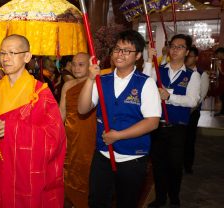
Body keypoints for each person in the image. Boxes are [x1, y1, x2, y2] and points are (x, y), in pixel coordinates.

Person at [0, 34, 66, 208]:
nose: (5, 58)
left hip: (25, 171)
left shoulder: (40, 93)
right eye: (2, 53)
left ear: (27, 56)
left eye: (12, 52)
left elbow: (55, 135)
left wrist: (12, 129)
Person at [78, 30, 161, 208]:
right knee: (97, 201)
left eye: (126, 50)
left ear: (138, 55)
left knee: (127, 202)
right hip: (102, 155)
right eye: (117, 49)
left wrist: (119, 135)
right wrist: (90, 79)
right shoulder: (102, 80)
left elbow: (152, 122)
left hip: (133, 157)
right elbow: (82, 109)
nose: (119, 54)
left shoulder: (145, 83)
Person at [143, 34, 200, 208]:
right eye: (172, 46)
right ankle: (160, 198)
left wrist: (170, 96)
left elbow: (192, 101)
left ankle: (174, 197)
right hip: (157, 127)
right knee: (158, 165)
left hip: (178, 128)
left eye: (179, 47)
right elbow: (143, 84)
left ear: (187, 52)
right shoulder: (158, 70)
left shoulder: (192, 75)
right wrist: (147, 60)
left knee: (175, 166)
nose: (174, 50)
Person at [59, 52, 96, 208]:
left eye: (81, 64)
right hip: (69, 134)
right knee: (68, 169)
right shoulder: (67, 85)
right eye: (73, 64)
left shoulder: (95, 84)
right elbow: (61, 113)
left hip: (88, 134)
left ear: (90, 66)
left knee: (86, 169)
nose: (76, 68)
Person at [184, 46, 209, 174]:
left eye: (190, 56)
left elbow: (201, 95)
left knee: (189, 139)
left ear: (196, 58)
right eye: (186, 55)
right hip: (179, 111)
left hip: (192, 112)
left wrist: (191, 109)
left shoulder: (201, 73)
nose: (187, 58)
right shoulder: (181, 71)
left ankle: (188, 165)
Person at [214, 47, 224, 116]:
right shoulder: (222, 61)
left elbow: (223, 72)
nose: (216, 56)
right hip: (221, 82)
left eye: (217, 54)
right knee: (222, 97)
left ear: (220, 53)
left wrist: (218, 66)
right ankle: (222, 111)